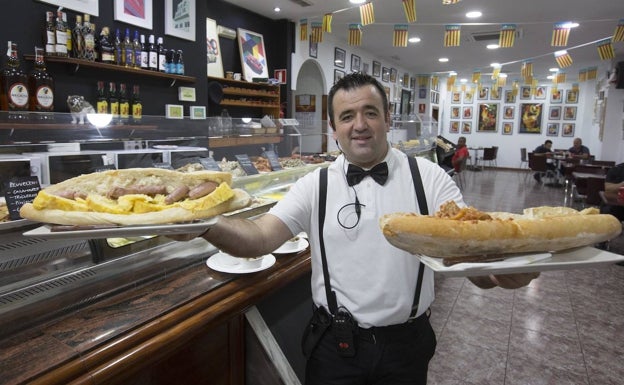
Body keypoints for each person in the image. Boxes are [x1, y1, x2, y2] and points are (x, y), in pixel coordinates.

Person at [183, 73, 538, 384]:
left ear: (387, 118)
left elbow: (467, 255)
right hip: (334, 346)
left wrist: (504, 273)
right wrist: (202, 223)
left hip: (407, 346)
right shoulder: (315, 184)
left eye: (370, 112)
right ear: (334, 128)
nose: (360, 125)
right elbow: (259, 238)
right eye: (347, 116)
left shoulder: (428, 178)